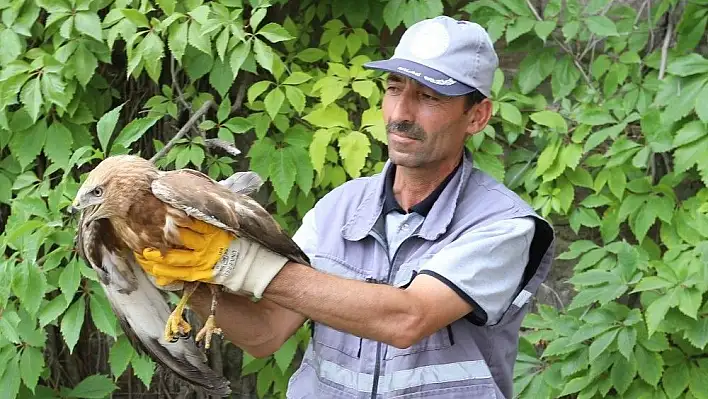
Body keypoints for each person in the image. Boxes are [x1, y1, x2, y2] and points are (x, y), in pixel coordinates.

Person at [136, 16, 555, 399]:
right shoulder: (338, 208)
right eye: (394, 88)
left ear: (477, 116)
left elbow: (407, 319)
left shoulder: (504, 225)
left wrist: (238, 264)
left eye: (429, 97)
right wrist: (188, 277)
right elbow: (265, 334)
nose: (401, 113)